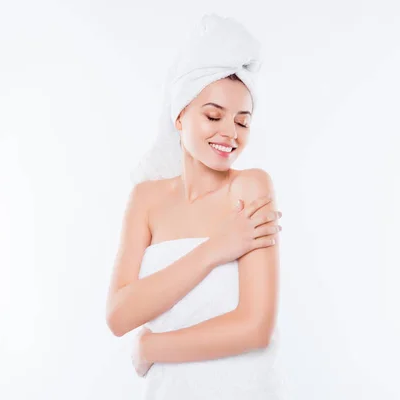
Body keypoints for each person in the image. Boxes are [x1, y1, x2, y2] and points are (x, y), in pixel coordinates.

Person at [105, 13, 285, 399]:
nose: (230, 133)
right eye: (213, 115)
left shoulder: (251, 187)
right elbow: (119, 316)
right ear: (180, 114)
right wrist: (215, 249)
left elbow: (254, 328)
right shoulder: (146, 199)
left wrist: (150, 347)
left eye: (242, 121)